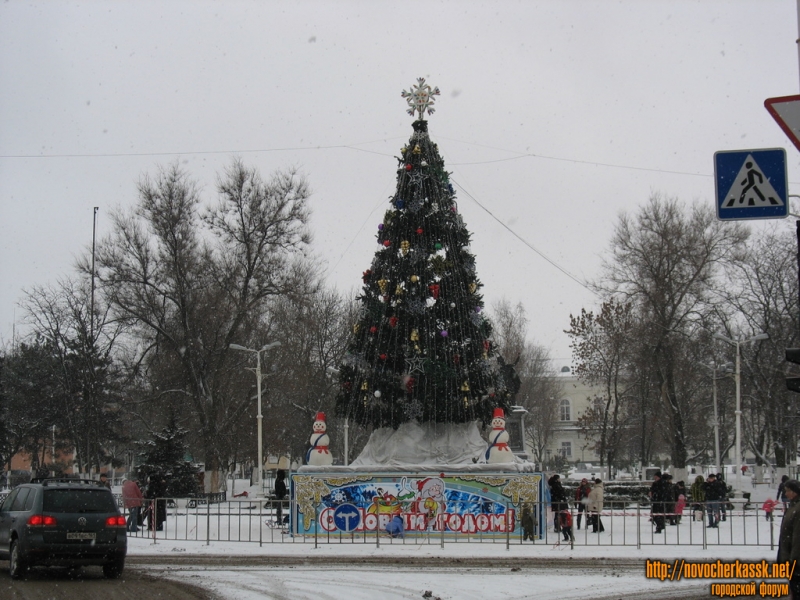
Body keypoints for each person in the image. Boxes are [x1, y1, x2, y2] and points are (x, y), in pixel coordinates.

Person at [777, 479, 800, 598]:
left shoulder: (797, 509)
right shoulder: (793, 506)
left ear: (795, 492)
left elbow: (797, 537)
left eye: (788, 491)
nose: (786, 494)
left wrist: (794, 560)